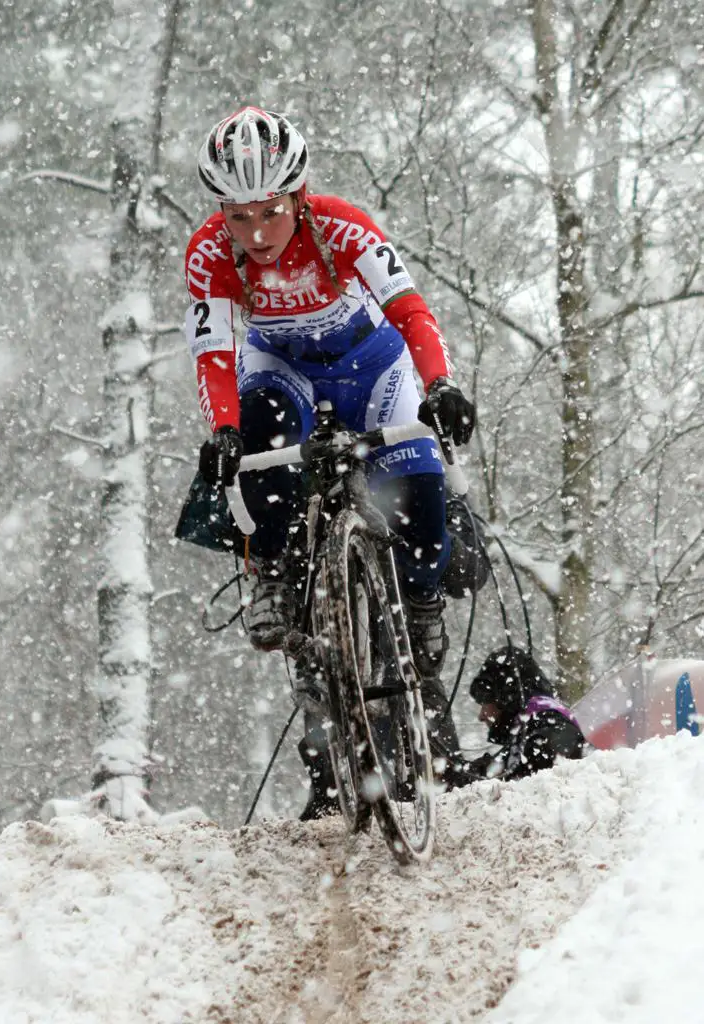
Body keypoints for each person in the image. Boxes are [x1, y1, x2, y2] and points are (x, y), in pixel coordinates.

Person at [184, 106, 487, 817]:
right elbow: (216, 353)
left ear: (298, 194)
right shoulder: (209, 254)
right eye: (239, 217)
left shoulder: (342, 225)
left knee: (416, 479)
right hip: (281, 368)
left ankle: (418, 602)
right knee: (260, 441)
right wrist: (225, 429)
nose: (256, 235)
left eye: (269, 213)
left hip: (372, 366)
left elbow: (411, 311)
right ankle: (281, 581)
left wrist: (439, 383)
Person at [448, 646, 586, 787]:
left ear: (504, 699)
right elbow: (498, 771)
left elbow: (509, 783)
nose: (481, 716)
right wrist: (453, 774)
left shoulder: (546, 738)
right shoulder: (535, 728)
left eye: (484, 703)